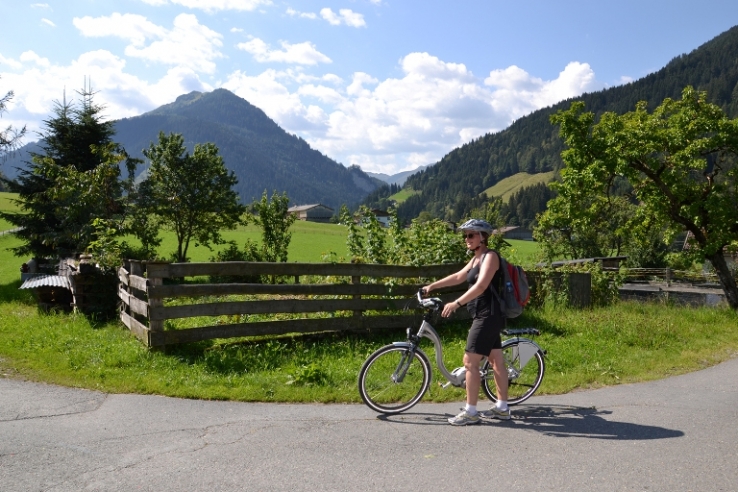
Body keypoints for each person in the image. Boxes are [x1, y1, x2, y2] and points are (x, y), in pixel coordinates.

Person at [423, 219, 510, 426]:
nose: (467, 239)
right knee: (496, 360)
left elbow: (480, 286)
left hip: (488, 315)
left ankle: (471, 411)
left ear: (483, 236)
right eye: (465, 235)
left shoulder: (491, 257)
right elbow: (458, 276)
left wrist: (457, 303)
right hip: (484, 314)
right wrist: (432, 286)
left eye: (471, 235)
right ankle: (503, 408)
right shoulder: (476, 259)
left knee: (470, 361)